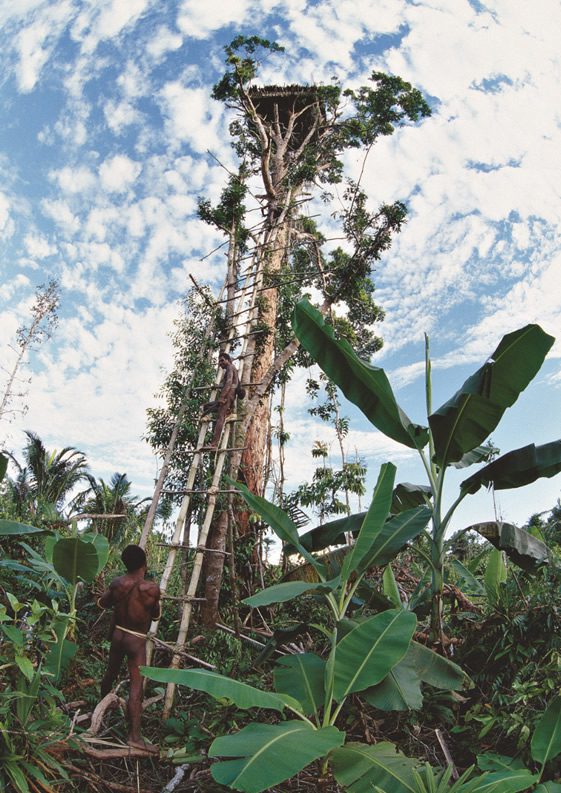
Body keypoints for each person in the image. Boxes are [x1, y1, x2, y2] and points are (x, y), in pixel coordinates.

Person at [97, 544, 161, 752]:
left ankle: (100, 710)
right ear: (144, 563)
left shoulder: (118, 583)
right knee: (136, 687)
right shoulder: (151, 589)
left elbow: (103, 603)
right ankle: (134, 736)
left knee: (109, 674)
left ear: (125, 563)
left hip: (118, 635)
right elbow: (156, 616)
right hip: (136, 640)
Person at [201, 352, 244, 449]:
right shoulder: (232, 368)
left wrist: (222, 397)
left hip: (228, 395)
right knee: (206, 406)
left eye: (222, 360)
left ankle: (214, 445)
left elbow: (229, 382)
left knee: (220, 417)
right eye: (219, 362)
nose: (220, 363)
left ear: (228, 360)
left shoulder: (230, 367)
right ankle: (225, 412)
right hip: (228, 395)